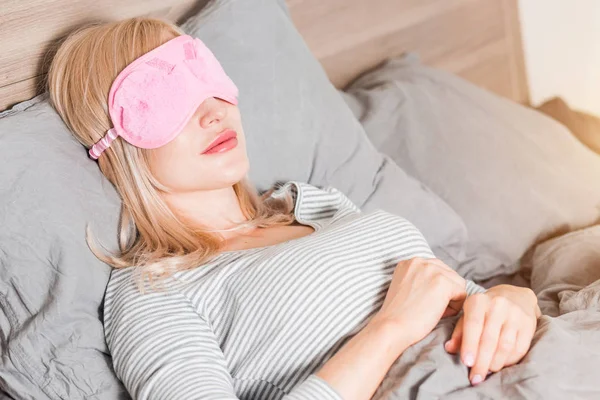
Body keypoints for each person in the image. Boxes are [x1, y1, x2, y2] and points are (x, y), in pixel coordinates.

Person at [46, 16, 541, 400]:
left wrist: (515, 301)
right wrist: (390, 329)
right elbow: (408, 314)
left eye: (206, 77)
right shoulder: (153, 293)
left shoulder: (315, 202)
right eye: (164, 96)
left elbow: (469, 299)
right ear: (112, 143)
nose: (213, 109)